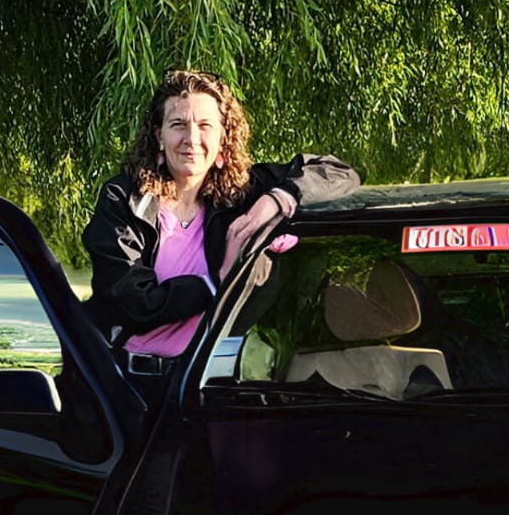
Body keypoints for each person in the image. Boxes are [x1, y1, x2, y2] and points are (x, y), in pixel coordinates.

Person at [83, 69, 359, 372]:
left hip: (208, 382)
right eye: (178, 125)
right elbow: (134, 303)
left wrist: (275, 200)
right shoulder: (125, 200)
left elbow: (339, 172)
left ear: (223, 136)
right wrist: (216, 282)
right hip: (129, 381)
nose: (191, 139)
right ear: (159, 135)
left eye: (205, 126)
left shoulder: (240, 195)